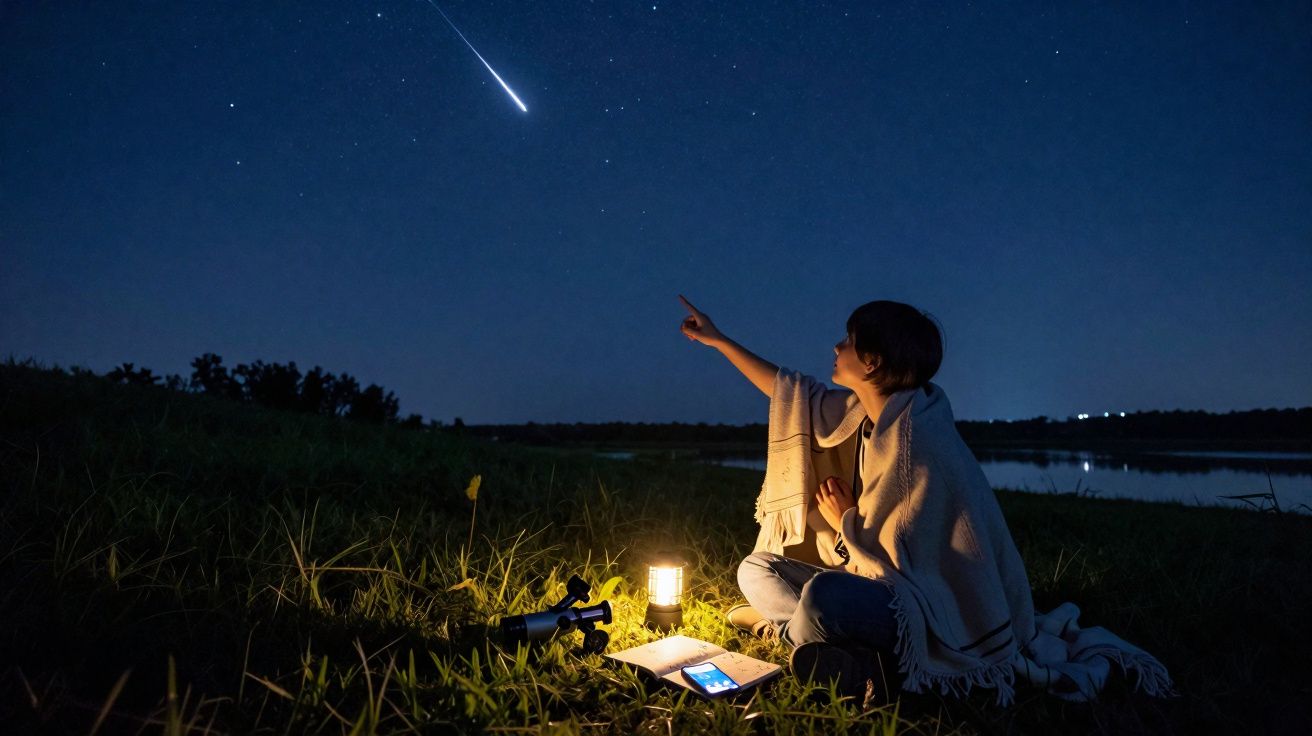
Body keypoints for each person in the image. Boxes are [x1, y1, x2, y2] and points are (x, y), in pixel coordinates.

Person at [677, 295, 1177, 709]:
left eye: (849, 341)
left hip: (924, 608)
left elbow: (909, 571)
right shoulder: (864, 411)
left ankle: (792, 635)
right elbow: (789, 393)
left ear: (871, 362)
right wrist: (719, 340)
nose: (836, 347)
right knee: (755, 566)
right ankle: (828, 647)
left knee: (825, 598)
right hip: (878, 583)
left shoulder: (918, 440)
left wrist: (844, 520)